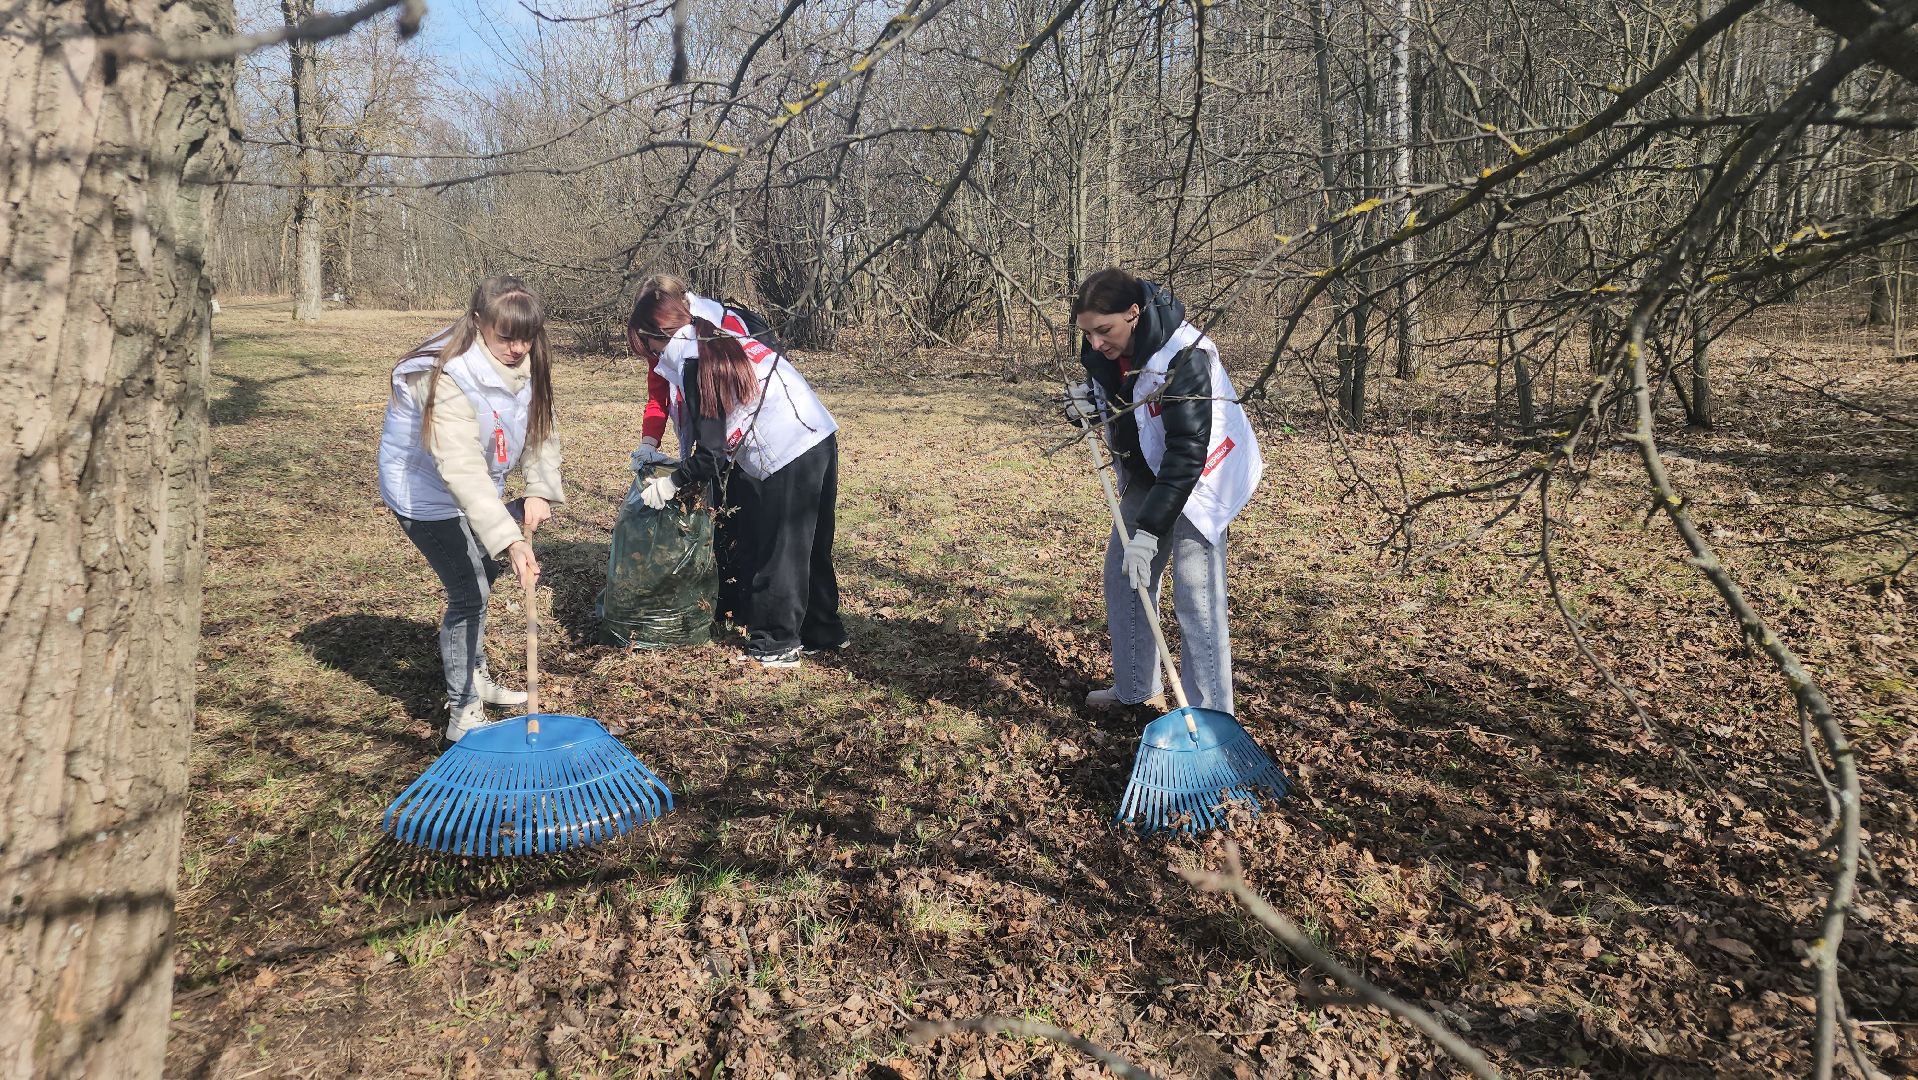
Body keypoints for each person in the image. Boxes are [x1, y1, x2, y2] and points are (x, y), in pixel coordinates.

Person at [1065, 267, 1262, 714]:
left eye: (1104, 330)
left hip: (1203, 473)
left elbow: (1187, 453)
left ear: (1134, 313)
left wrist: (1151, 532)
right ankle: (1137, 689)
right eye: (1088, 333)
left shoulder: (1184, 356)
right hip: (1149, 469)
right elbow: (1120, 403)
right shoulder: (1102, 346)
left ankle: (1212, 717)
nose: (1095, 343)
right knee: (1124, 574)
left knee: (1196, 595)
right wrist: (1088, 407)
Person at [377, 275, 564, 741]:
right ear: (478, 322)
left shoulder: (524, 357)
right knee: (470, 591)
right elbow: (459, 469)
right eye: (507, 337)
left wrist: (538, 487)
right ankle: (462, 711)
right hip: (425, 493)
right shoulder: (444, 375)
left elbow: (541, 425)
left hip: (479, 486)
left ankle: (474, 674)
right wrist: (511, 538)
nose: (518, 348)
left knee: (482, 573)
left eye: (527, 337)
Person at [626, 278, 845, 667]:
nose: (652, 359)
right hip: (819, 433)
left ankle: (776, 645)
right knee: (810, 545)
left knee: (779, 547)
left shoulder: (696, 362)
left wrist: (671, 484)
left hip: (788, 446)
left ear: (657, 336)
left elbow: (710, 456)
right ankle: (822, 631)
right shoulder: (710, 336)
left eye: (649, 348)